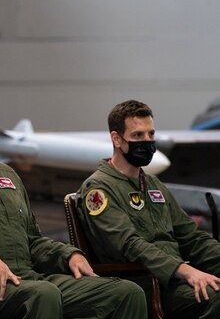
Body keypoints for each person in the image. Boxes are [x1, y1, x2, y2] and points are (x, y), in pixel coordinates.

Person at [0, 86, 147, 318]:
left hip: (27, 279)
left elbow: (32, 241)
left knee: (127, 292)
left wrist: (68, 255)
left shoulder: (8, 176)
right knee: (43, 295)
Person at [78, 100, 220, 318]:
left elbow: (191, 237)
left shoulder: (153, 184)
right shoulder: (97, 190)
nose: (147, 141)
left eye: (150, 134)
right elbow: (130, 245)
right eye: (137, 136)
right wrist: (185, 271)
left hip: (174, 279)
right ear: (117, 139)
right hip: (143, 284)